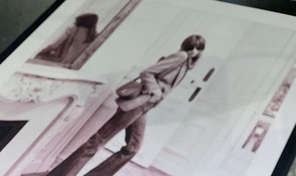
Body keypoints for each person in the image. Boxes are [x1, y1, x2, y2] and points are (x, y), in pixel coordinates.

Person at [45, 34, 206, 176]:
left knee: (133, 148)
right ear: (186, 46)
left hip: (144, 107)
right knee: (98, 141)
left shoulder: (187, 64)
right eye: (191, 47)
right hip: (138, 103)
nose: (193, 52)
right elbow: (147, 72)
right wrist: (156, 90)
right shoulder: (181, 56)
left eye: (198, 49)